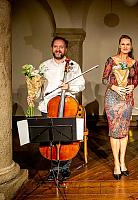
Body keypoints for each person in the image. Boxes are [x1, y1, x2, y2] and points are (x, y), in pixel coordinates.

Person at [37, 36, 85, 180]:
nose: (58, 49)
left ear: (65, 49)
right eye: (55, 46)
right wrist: (33, 95)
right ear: (52, 48)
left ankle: (64, 168)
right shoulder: (43, 66)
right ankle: (53, 168)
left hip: (67, 107)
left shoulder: (73, 65)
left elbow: (81, 84)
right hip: (48, 106)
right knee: (50, 138)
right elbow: (39, 87)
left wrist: (69, 86)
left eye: (61, 47)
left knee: (66, 138)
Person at [102, 35, 138, 180]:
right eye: (122, 44)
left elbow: (135, 81)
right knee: (114, 130)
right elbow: (104, 79)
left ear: (131, 46)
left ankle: (123, 162)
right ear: (119, 45)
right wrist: (115, 87)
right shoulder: (111, 60)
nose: (125, 46)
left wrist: (131, 86)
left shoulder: (134, 62)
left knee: (124, 131)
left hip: (127, 99)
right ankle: (116, 164)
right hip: (112, 98)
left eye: (127, 44)